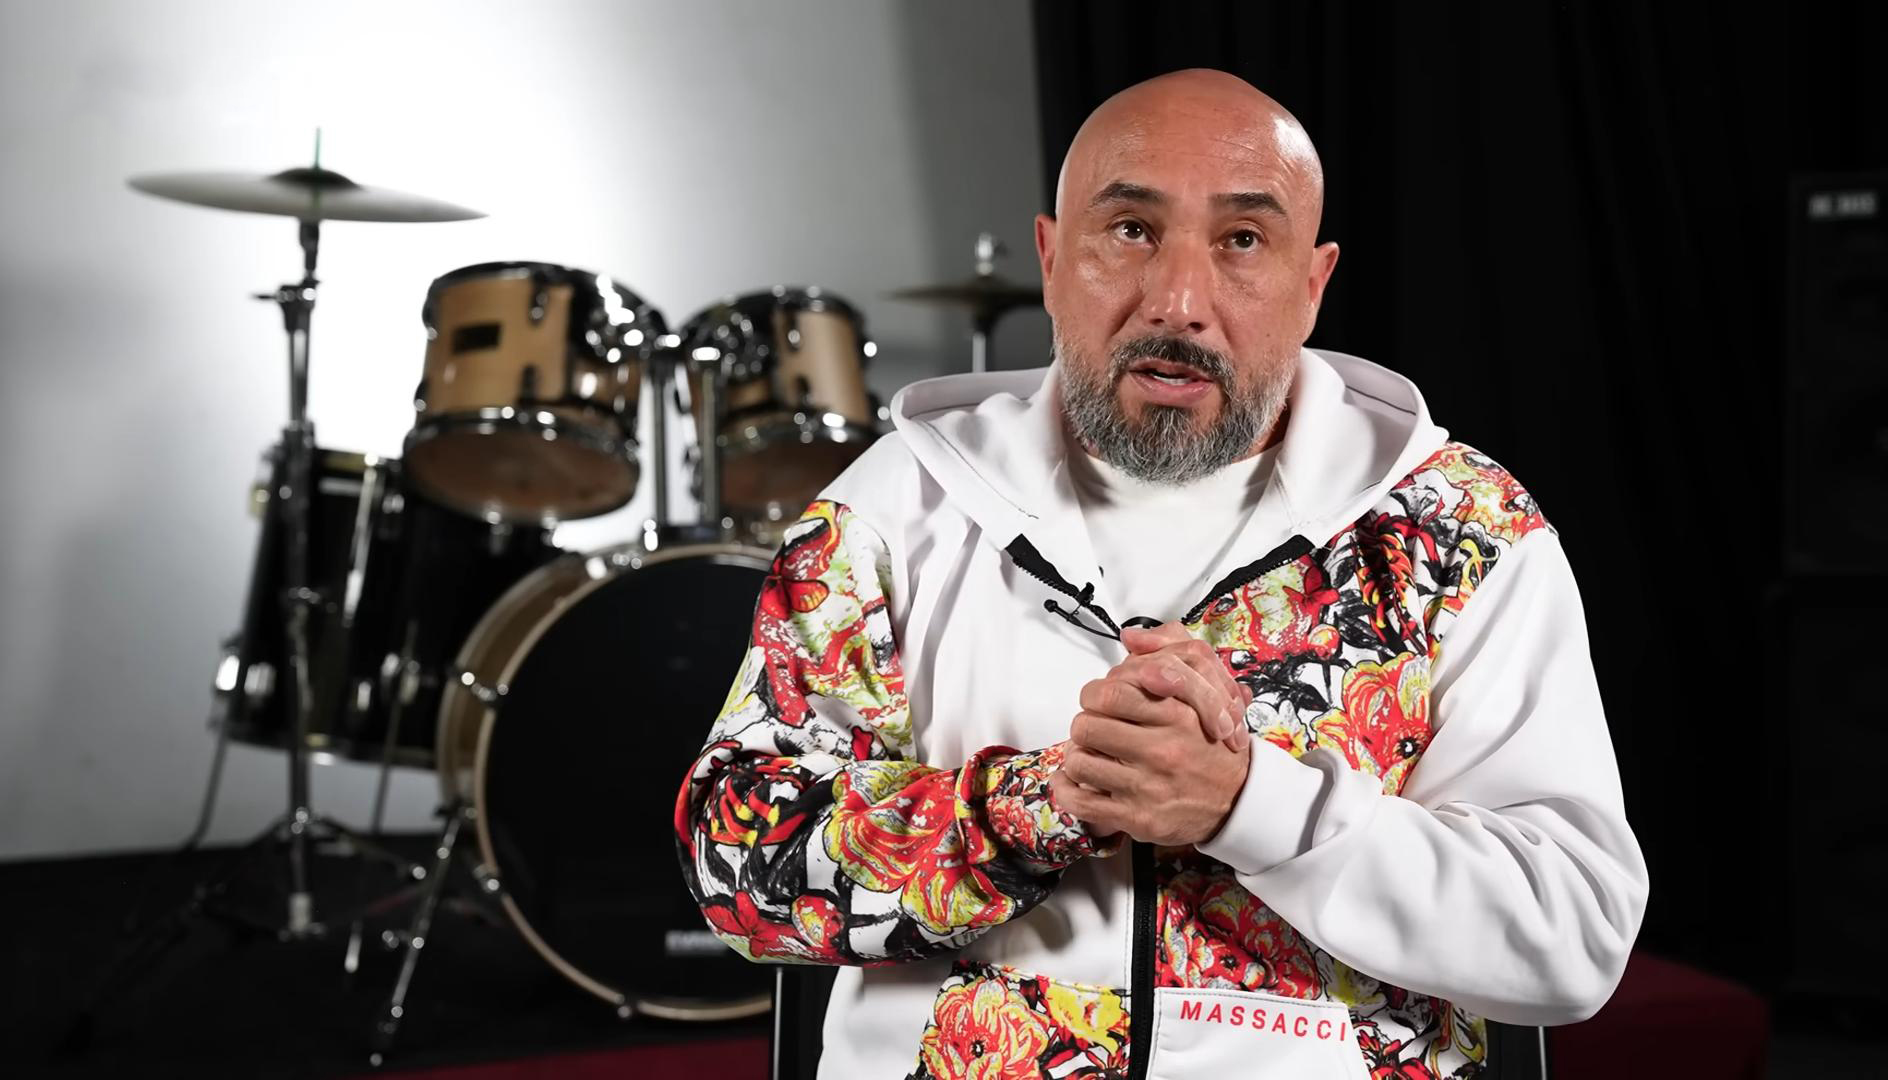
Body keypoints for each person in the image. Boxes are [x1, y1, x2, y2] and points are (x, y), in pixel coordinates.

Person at [674, 68, 1648, 1079]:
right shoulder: (896, 509)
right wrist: (1039, 805)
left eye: (1241, 241)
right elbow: (736, 860)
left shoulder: (1456, 530)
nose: (1180, 302)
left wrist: (1248, 804)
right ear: (1052, 259)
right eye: (1132, 230)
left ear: (1312, 285)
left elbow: (1569, 937)